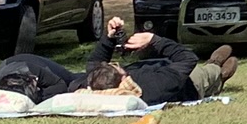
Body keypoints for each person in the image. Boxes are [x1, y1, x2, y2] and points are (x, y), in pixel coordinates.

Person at [85, 18, 236, 105]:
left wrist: (109, 37)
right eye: (119, 68)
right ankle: (217, 69)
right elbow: (188, 59)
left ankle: (216, 70)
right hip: (188, 82)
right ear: (124, 79)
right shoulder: (155, 87)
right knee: (204, 73)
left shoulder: (99, 82)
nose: (119, 65)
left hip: (162, 66)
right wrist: (154, 40)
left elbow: (94, 65)